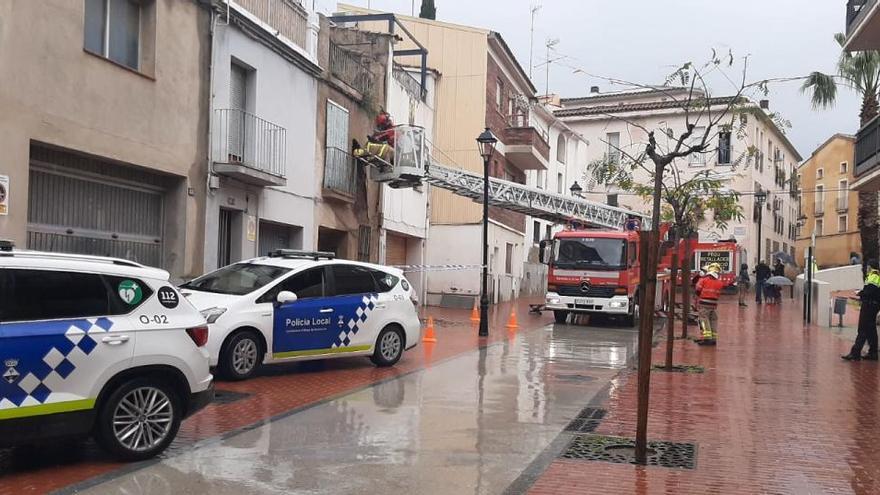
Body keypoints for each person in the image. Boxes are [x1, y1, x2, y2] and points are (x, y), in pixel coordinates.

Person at [842, 259, 880, 361]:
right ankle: (873, 353)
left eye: (868, 266)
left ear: (871, 267)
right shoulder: (875, 276)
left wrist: (860, 293)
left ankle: (855, 353)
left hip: (869, 306)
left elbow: (870, 291)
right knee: (871, 330)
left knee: (862, 329)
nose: (867, 268)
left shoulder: (874, 276)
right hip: (873, 306)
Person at [695, 263, 725, 345]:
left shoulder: (703, 280)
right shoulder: (720, 283)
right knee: (713, 320)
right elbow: (718, 294)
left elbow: (697, 289)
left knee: (704, 320)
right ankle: (713, 339)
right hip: (714, 304)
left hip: (704, 303)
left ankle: (707, 339)